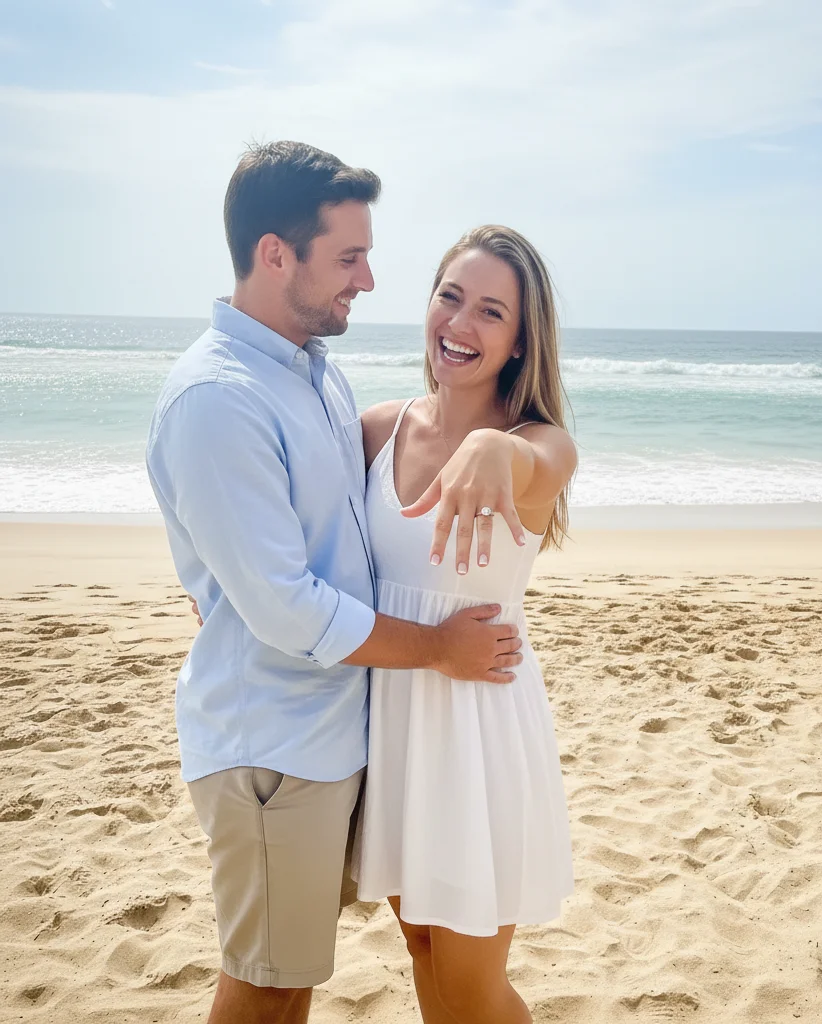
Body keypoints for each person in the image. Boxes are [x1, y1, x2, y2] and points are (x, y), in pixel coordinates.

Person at [146, 141, 526, 1024]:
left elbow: (323, 543)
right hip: (274, 746)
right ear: (277, 254)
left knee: (301, 975)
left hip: (341, 736)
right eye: (348, 256)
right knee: (270, 989)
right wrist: (436, 647)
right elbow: (286, 605)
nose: (368, 277)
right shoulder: (218, 398)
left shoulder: (314, 375)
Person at [355, 225, 576, 1024]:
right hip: (394, 728)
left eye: (491, 312)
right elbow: (281, 511)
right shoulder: (379, 429)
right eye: (451, 297)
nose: (461, 324)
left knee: (474, 985)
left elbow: (544, 466)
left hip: (478, 737)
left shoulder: (537, 446)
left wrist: (491, 444)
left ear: (520, 343)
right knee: (421, 954)